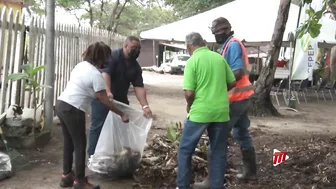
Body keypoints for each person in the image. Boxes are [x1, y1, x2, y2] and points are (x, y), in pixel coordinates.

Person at [193, 17, 257, 189]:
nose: (216, 35)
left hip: (235, 99)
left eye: (218, 32)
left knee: (217, 138)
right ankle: (251, 174)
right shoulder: (229, 44)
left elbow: (236, 71)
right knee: (242, 134)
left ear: (227, 29)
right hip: (243, 98)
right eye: (214, 33)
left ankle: (212, 181)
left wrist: (217, 83)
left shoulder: (233, 44)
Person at [56, 42, 129, 189]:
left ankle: (66, 177)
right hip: (73, 109)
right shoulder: (96, 75)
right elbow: (103, 100)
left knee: (69, 143)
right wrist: (121, 113)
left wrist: (104, 94)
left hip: (61, 104)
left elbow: (89, 90)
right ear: (102, 57)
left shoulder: (80, 66)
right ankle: (80, 182)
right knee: (80, 145)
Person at [176, 32, 236, 189]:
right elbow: (232, 82)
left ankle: (182, 186)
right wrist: (218, 91)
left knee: (185, 150)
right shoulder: (219, 58)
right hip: (221, 111)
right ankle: (217, 186)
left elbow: (189, 92)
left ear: (189, 46)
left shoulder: (192, 61)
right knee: (218, 152)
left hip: (200, 112)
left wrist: (189, 105)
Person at [87, 36, 152, 157]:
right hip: (103, 98)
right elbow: (106, 73)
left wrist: (145, 106)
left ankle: (119, 155)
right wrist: (108, 91)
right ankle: (92, 156)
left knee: (123, 126)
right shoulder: (113, 56)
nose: (136, 51)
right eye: (134, 48)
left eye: (138, 49)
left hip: (121, 100)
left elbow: (139, 87)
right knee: (98, 126)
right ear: (125, 46)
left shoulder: (135, 67)